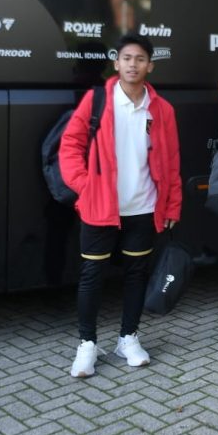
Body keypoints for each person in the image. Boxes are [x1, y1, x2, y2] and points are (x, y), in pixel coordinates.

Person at [58, 33, 183, 378]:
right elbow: (70, 145)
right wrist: (86, 186)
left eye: (140, 59)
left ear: (150, 66)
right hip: (100, 207)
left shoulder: (162, 109)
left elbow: (171, 161)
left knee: (136, 275)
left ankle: (128, 338)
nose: (133, 64)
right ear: (116, 63)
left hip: (144, 207)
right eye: (127, 58)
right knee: (91, 276)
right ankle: (87, 344)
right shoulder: (98, 100)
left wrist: (172, 205)